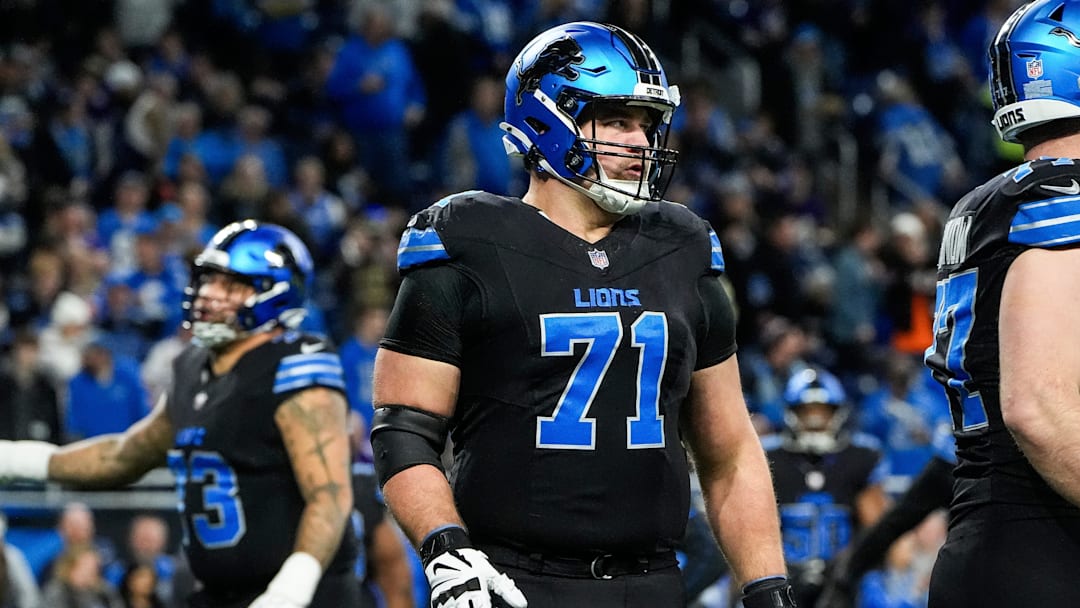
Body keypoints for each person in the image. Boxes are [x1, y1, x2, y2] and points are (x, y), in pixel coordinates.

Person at [370, 21, 795, 608]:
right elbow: (404, 431)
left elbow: (729, 452)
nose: (641, 142)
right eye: (618, 120)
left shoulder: (683, 245)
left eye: (647, 123)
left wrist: (767, 587)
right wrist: (447, 550)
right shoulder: (468, 241)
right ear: (548, 119)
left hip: (652, 582)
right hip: (513, 581)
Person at [0, 220, 360, 608]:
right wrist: (17, 458)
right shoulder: (193, 367)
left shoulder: (296, 370)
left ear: (273, 292)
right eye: (208, 280)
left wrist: (289, 591)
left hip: (301, 595)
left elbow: (330, 497)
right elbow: (123, 455)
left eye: (229, 284)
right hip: (219, 593)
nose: (208, 294)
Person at [921, 1, 1080, 605]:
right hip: (1045, 546)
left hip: (996, 532)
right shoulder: (1063, 198)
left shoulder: (988, 203)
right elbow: (1037, 408)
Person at [765, 367, 889, 607]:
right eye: (807, 412)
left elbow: (875, 530)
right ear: (791, 413)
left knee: (877, 590)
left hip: (843, 574)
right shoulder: (768, 456)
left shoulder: (861, 456)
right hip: (782, 573)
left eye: (821, 412)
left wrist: (851, 567)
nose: (814, 421)